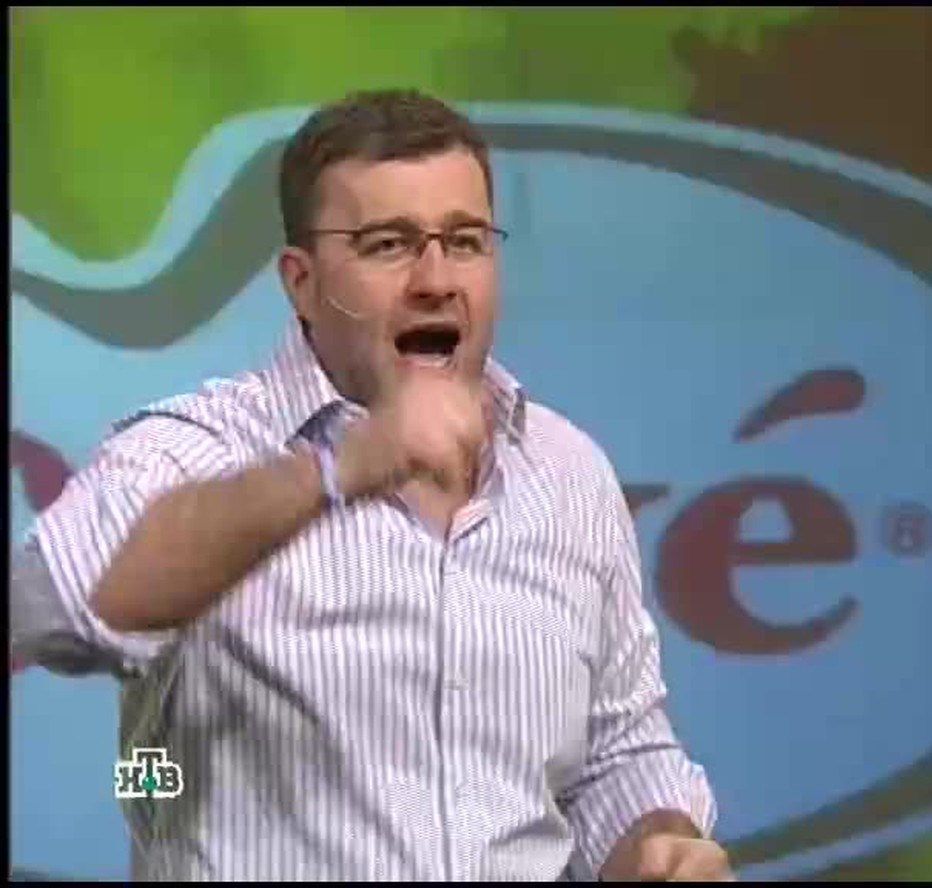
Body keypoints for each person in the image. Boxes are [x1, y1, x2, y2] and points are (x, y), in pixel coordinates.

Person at [11, 89, 730, 882]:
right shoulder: (200, 448)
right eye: (389, 245)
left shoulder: (569, 472)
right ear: (301, 281)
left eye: (465, 241)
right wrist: (342, 468)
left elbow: (617, 755)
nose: (436, 279)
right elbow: (52, 603)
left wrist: (657, 840)